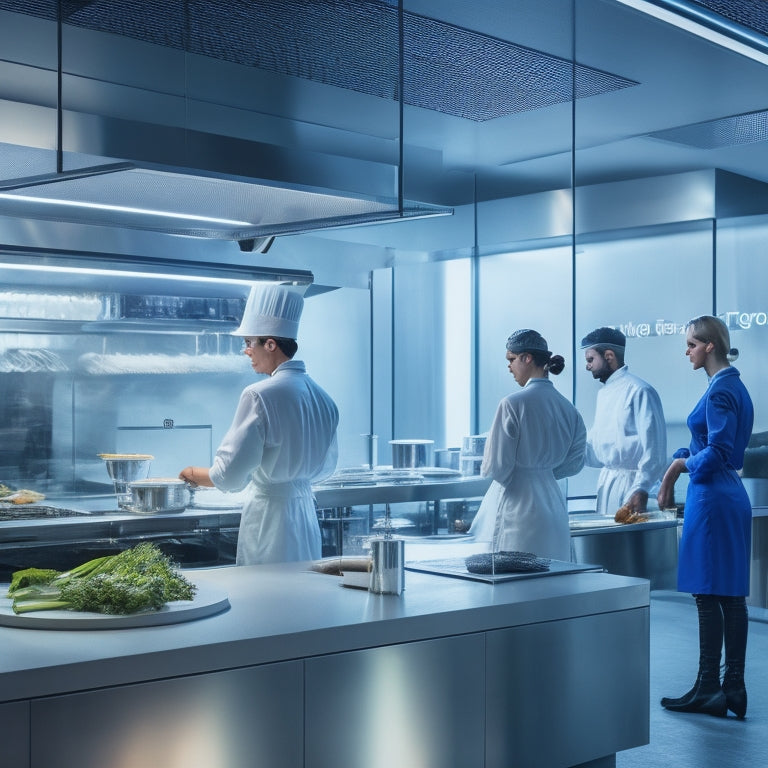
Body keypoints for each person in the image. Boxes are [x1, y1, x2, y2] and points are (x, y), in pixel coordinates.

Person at [179, 284, 339, 565]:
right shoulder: (324, 397)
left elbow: (229, 475)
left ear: (270, 344)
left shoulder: (259, 395)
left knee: (266, 602)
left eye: (249, 342)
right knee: (306, 600)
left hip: (271, 523)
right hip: (305, 518)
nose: (245, 351)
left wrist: (192, 473)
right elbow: (326, 468)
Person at [657, 315, 754, 719]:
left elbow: (716, 452)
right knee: (730, 596)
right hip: (727, 495)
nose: (687, 351)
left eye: (692, 345)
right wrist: (684, 455)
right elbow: (713, 447)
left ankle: (711, 687)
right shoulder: (733, 385)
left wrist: (676, 469)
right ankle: (729, 687)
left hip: (712, 499)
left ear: (710, 345)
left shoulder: (718, 392)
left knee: (707, 596)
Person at [468, 329, 586, 561]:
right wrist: (543, 475)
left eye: (511, 359)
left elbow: (496, 469)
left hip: (517, 508)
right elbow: (574, 464)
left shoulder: (512, 404)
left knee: (514, 581)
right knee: (552, 577)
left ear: (527, 358)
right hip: (553, 506)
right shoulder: (569, 409)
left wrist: (526, 476)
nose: (509, 367)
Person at [581, 326, 667, 517]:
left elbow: (655, 451)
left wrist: (641, 488)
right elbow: (597, 451)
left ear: (609, 356)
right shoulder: (603, 394)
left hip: (632, 488)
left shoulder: (640, 391)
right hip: (608, 485)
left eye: (590, 360)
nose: (587, 366)